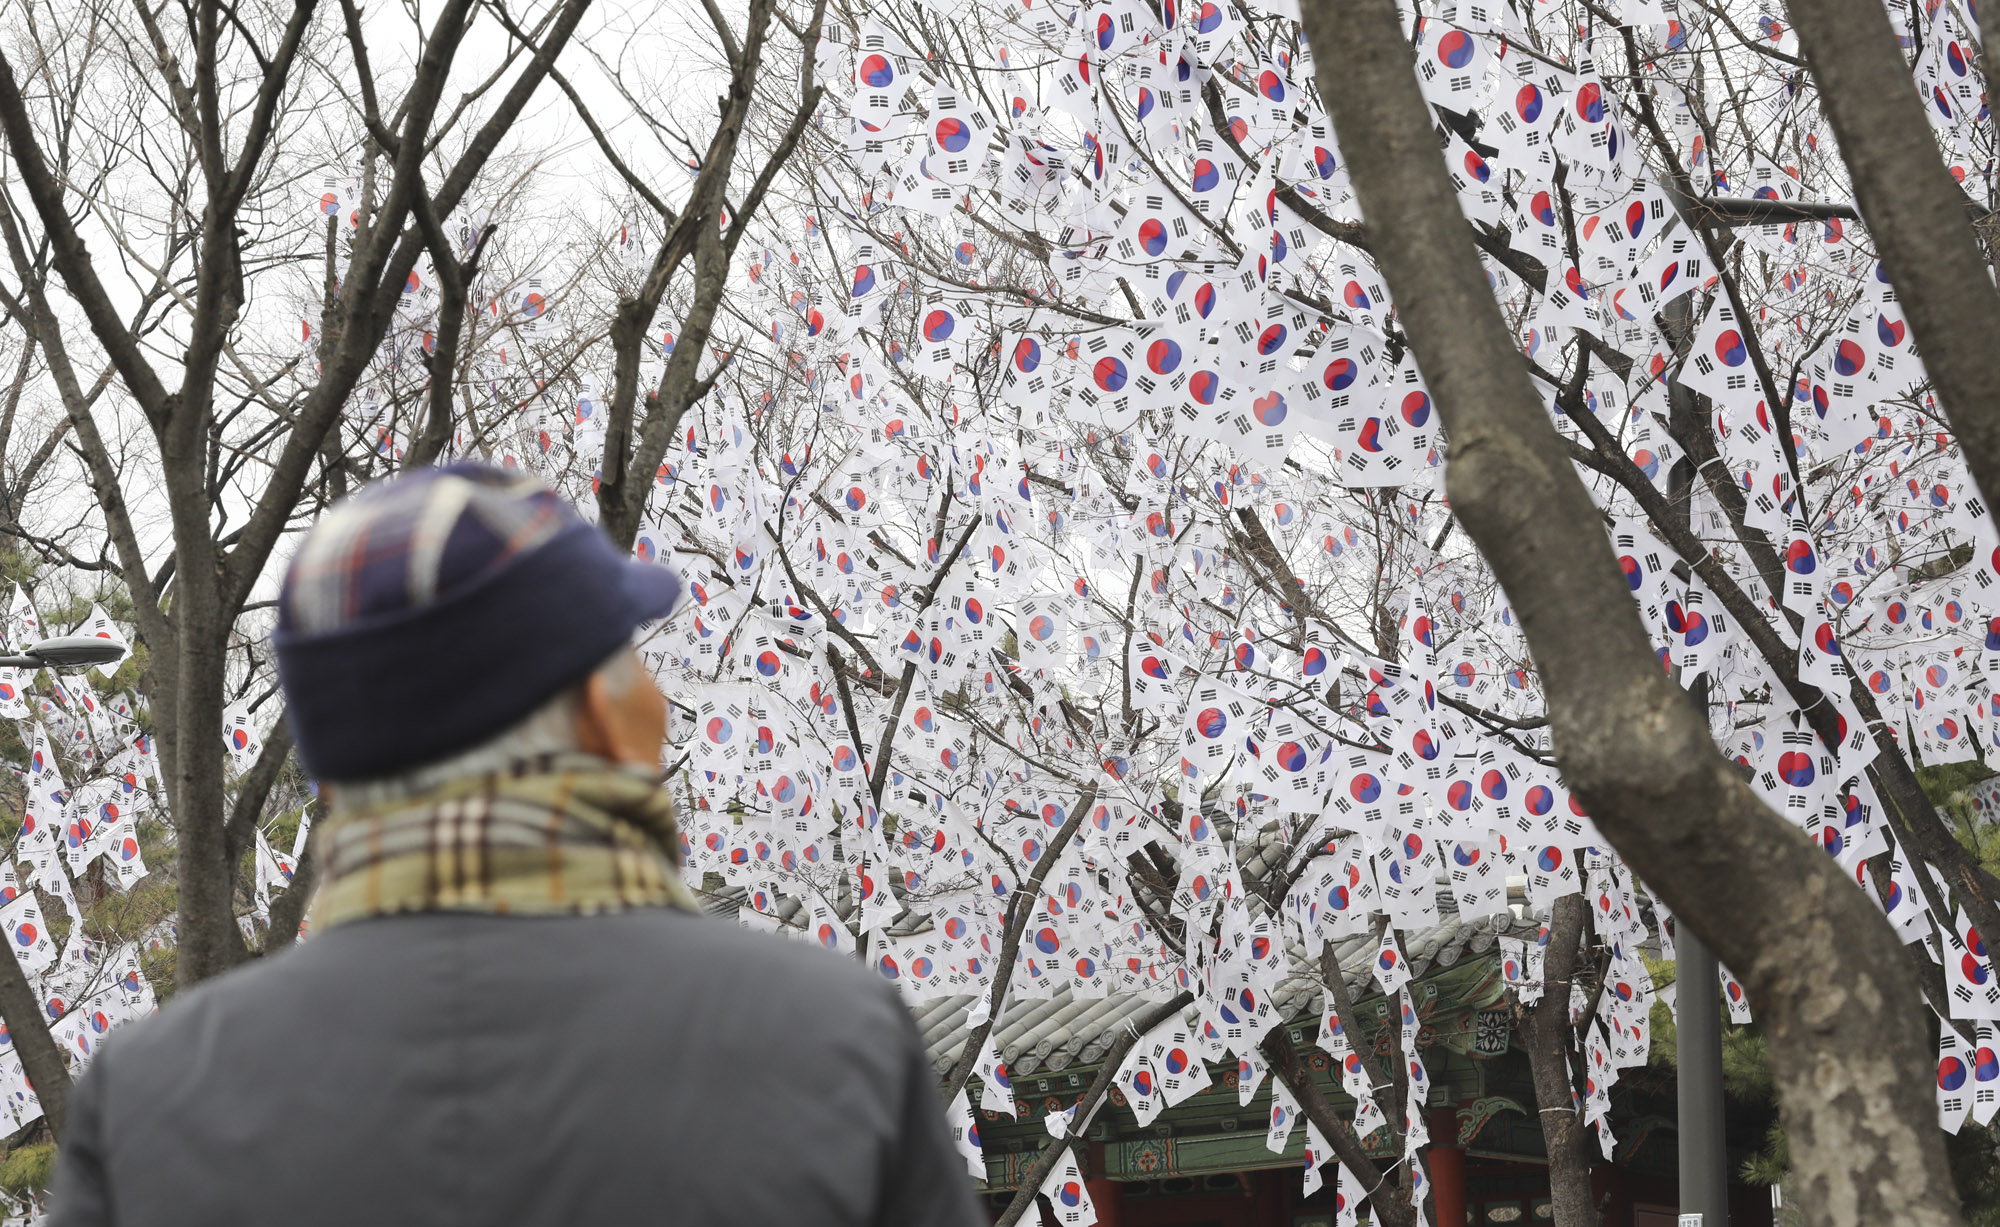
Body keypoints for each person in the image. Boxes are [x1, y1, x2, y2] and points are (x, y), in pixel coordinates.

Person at [46, 464, 986, 1226]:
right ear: (595, 712)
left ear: (335, 768)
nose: (658, 703)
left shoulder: (150, 1110)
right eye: (628, 659)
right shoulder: (831, 1050)